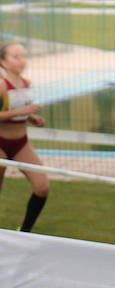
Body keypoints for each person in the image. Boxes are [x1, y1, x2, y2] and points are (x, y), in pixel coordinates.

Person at [0, 42, 49, 233]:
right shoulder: (2, 84)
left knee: (42, 187)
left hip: (21, 143)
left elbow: (15, 111)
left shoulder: (26, 83)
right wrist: (23, 110)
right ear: (3, 61)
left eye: (24, 56)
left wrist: (31, 117)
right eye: (16, 57)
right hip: (0, 143)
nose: (22, 61)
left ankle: (25, 231)